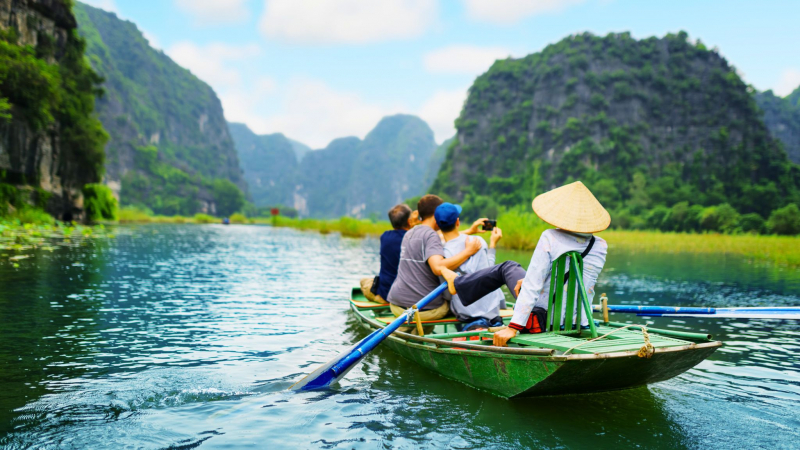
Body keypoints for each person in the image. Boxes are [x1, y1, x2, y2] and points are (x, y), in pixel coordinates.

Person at [440, 181, 610, 347]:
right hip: (579, 321)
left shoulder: (550, 237)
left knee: (507, 267)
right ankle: (458, 283)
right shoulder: (600, 245)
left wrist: (513, 327)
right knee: (518, 274)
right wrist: (529, 280)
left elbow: (533, 286)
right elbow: (578, 282)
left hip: (544, 320)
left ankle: (457, 283)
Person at [386, 194, 483, 333]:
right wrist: (468, 251)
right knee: (457, 303)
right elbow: (438, 267)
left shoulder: (410, 232)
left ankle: (409, 332)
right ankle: (463, 333)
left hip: (396, 304)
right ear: (436, 215)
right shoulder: (431, 236)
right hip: (421, 310)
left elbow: (436, 238)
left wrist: (469, 231)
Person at [434, 202, 505, 332]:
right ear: (457, 222)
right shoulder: (477, 241)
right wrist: (492, 245)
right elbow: (490, 272)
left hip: (467, 315)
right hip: (492, 312)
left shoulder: (440, 254)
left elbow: (448, 294)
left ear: (437, 225)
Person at [360, 204, 416, 303]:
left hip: (386, 294)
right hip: (408, 295)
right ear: (409, 221)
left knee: (363, 281)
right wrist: (415, 223)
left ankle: (378, 299)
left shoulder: (385, 237)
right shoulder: (414, 239)